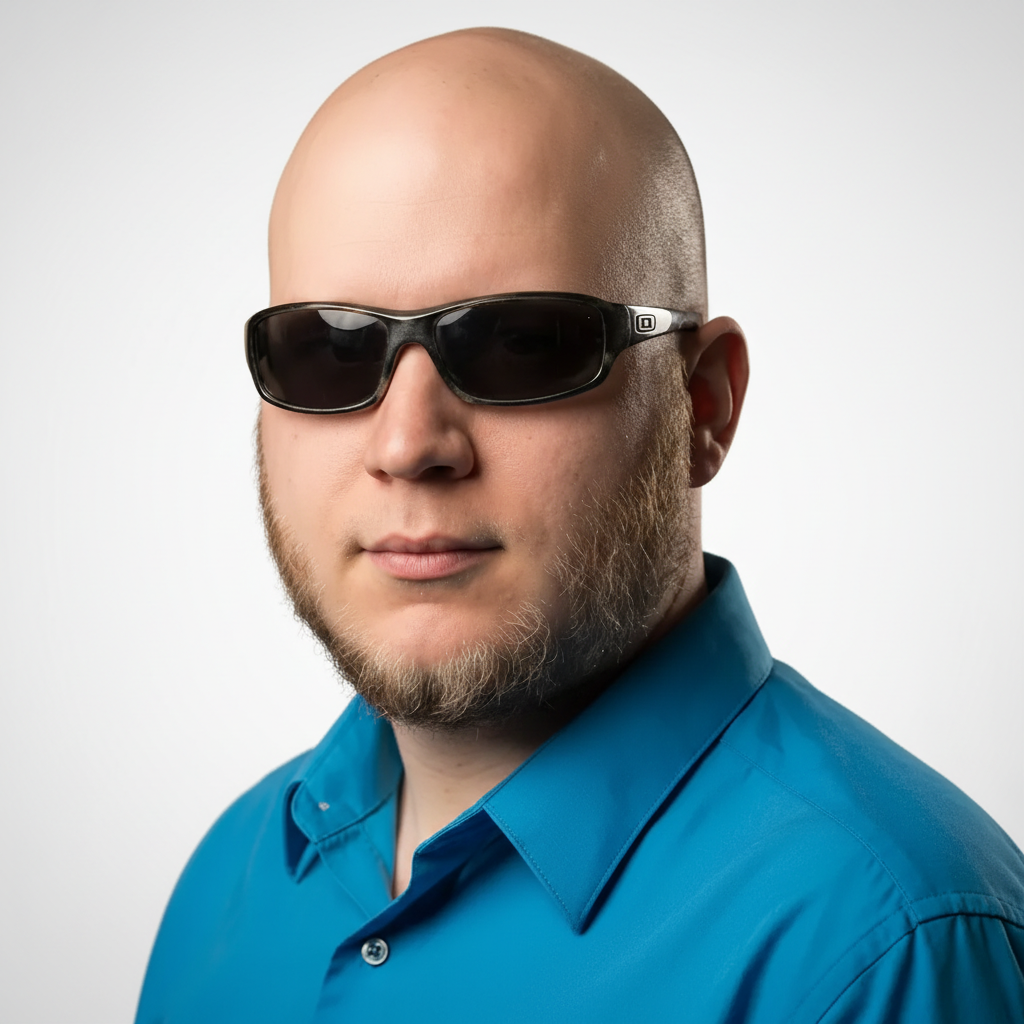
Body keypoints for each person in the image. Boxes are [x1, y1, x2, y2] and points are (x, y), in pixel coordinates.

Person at [135, 27, 1024, 1023]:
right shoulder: (230, 879)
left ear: (704, 405)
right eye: (331, 349)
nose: (408, 444)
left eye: (521, 343)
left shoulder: (880, 948)